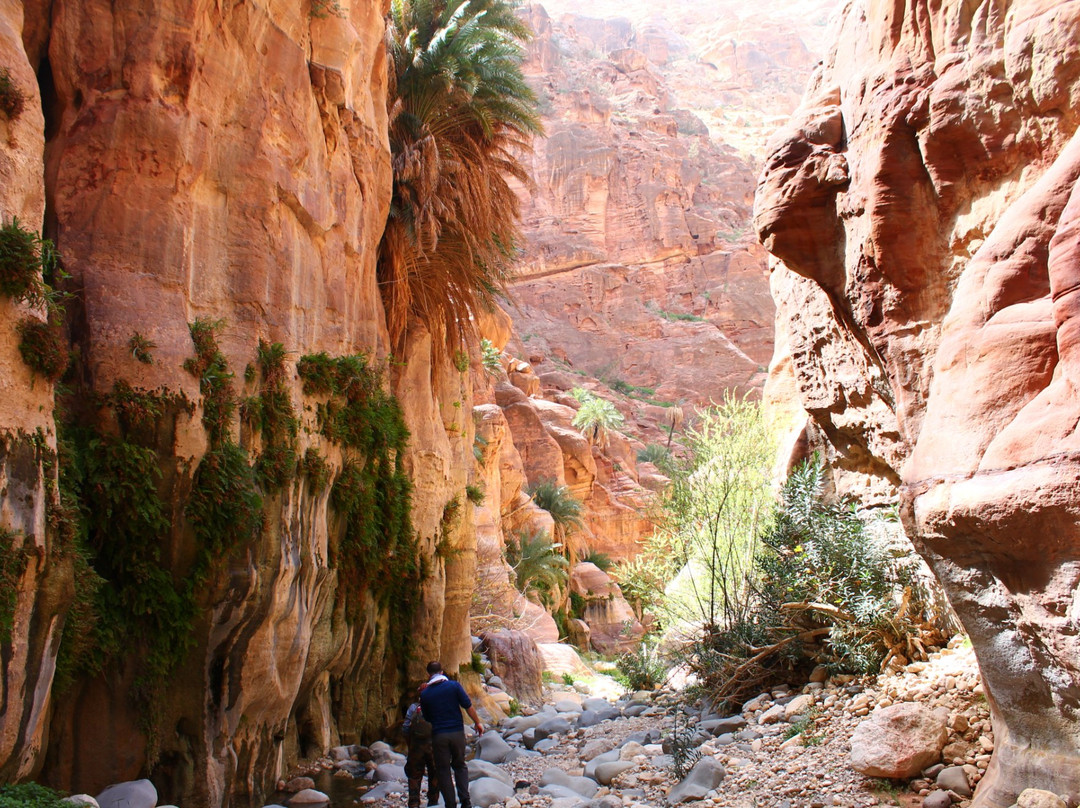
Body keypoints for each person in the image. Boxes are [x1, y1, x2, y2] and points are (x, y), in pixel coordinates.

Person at [419, 660, 484, 808]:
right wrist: (477, 722)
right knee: (460, 765)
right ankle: (465, 801)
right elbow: (468, 705)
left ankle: (450, 804)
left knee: (443, 770)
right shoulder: (454, 686)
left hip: (439, 735)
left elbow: (427, 717)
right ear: (442, 672)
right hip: (457, 733)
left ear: (429, 675)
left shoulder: (425, 694)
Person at [404, 683, 440, 808]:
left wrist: (410, 746)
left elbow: (405, 729)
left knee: (414, 776)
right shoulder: (439, 707)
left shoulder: (413, 708)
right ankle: (433, 802)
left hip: (416, 748)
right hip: (434, 747)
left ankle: (414, 803)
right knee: (435, 774)